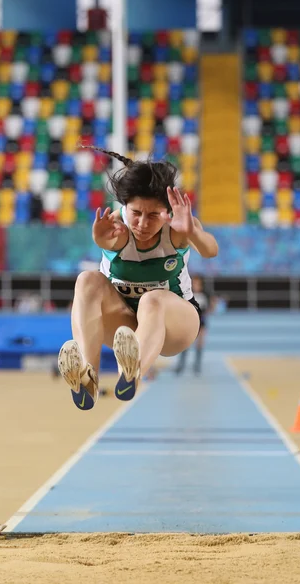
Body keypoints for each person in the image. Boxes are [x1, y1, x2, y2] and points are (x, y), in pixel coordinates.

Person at [58, 147, 219, 410]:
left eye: (153, 215)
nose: (143, 223)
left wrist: (193, 232)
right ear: (124, 207)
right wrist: (100, 241)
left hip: (175, 325)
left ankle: (133, 371)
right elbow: (110, 245)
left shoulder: (177, 228)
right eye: (136, 213)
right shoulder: (115, 229)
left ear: (166, 212)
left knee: (152, 301)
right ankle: (88, 376)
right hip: (124, 326)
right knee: (87, 280)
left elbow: (211, 250)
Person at [175, 274, 214, 375]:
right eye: (194, 282)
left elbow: (210, 307)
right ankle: (181, 365)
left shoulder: (205, 294)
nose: (195, 284)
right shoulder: (188, 293)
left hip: (201, 322)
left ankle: (197, 366)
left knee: (200, 344)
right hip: (189, 322)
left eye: (197, 282)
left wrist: (209, 309)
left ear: (201, 283)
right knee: (185, 344)